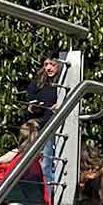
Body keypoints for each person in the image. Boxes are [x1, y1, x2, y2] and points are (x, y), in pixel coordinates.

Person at [25, 54, 63, 184]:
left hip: (51, 126)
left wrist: (60, 104)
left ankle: (47, 191)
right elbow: (29, 100)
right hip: (37, 125)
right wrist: (32, 107)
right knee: (35, 162)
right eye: (46, 64)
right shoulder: (38, 82)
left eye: (52, 64)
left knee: (47, 163)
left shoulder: (62, 83)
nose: (48, 68)